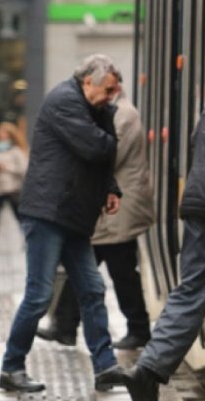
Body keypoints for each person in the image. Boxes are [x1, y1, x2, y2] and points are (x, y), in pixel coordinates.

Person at [0, 54, 127, 394]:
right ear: (88, 81)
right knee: (39, 295)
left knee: (93, 290)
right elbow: (97, 149)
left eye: (115, 91)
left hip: (73, 215)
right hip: (48, 213)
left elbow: (99, 160)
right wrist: (110, 122)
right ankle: (11, 367)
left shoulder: (92, 107)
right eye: (108, 90)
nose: (112, 97)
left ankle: (105, 366)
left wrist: (110, 188)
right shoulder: (64, 102)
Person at [37, 74, 155, 349]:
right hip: (110, 207)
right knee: (86, 264)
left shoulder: (122, 114)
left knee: (120, 269)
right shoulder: (111, 112)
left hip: (119, 207)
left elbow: (105, 155)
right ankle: (65, 326)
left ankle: (136, 328)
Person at [123, 90, 205, 401]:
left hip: (198, 202)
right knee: (197, 288)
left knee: (191, 288)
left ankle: (148, 369)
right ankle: (147, 371)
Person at [0, 122, 29, 250]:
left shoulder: (16, 151)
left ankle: (27, 240)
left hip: (12, 189)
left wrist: (7, 168)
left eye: (4, 133)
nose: (1, 136)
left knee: (19, 217)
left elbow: (24, 169)